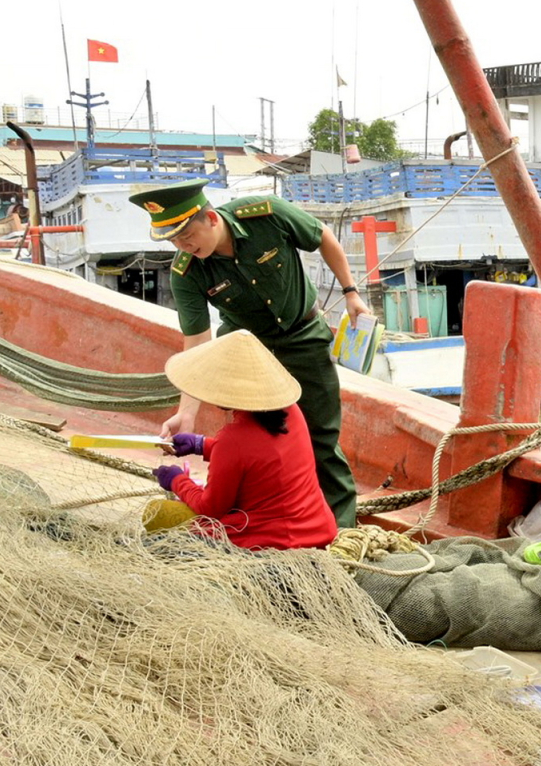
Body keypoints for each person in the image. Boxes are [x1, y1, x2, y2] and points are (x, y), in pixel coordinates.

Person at [132, 181, 369, 528]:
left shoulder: (267, 214)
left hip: (302, 338)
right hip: (247, 357)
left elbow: (323, 238)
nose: (183, 247)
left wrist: (351, 293)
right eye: (174, 241)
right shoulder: (187, 272)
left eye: (187, 236)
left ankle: (342, 531)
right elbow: (197, 340)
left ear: (211, 218)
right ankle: (262, 521)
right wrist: (187, 414)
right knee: (252, 442)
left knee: (321, 439)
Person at [150, 330, 339, 552]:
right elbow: (257, 459)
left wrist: (176, 480)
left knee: (155, 531)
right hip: (316, 531)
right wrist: (201, 445)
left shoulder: (233, 439)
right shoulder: (290, 411)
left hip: (268, 544)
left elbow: (209, 508)